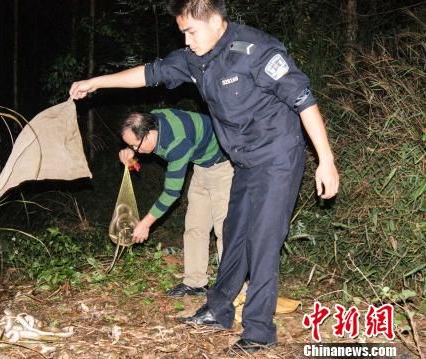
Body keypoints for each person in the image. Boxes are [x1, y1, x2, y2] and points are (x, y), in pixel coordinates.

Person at [69, 0, 339, 353]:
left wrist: (326, 160)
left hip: (277, 156)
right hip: (243, 161)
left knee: (263, 239)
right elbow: (148, 73)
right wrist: (97, 82)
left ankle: (259, 330)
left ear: (214, 20)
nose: (187, 41)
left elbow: (304, 99)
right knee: (234, 232)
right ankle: (218, 309)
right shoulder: (193, 58)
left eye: (191, 31)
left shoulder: (256, 50)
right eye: (182, 33)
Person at [117, 109, 233, 297]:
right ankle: (196, 283)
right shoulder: (152, 120)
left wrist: (145, 224)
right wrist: (130, 151)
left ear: (147, 136)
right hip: (202, 166)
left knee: (225, 229)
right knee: (195, 226)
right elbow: (138, 141)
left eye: (134, 145)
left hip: (223, 166)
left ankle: (232, 288)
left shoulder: (177, 144)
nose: (134, 149)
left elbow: (171, 193)